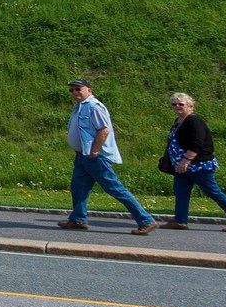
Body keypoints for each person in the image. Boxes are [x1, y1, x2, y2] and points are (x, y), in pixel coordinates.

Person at [62, 78, 156, 234]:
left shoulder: (94, 106)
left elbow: (103, 130)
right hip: (82, 156)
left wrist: (94, 151)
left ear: (89, 90)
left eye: (78, 89)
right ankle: (78, 219)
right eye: (71, 90)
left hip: (94, 157)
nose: (74, 92)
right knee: (78, 187)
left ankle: (145, 220)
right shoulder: (79, 107)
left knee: (114, 188)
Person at [163, 92, 226, 232]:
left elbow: (198, 143)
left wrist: (186, 161)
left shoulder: (194, 121)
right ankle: (180, 220)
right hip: (181, 167)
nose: (177, 106)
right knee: (181, 192)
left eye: (181, 104)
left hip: (198, 166)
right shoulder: (179, 121)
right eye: (174, 104)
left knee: (214, 192)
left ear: (190, 105)